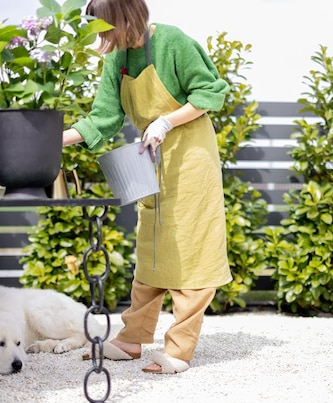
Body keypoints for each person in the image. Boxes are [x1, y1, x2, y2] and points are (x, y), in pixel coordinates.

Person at [62, 0, 231, 374]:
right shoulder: (116, 60)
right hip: (150, 161)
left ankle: (179, 350)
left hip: (190, 159)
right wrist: (52, 141)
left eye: (106, 28)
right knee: (150, 248)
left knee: (191, 250)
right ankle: (131, 339)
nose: (104, 38)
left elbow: (210, 92)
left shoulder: (172, 42)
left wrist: (167, 121)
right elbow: (103, 119)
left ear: (128, 18)